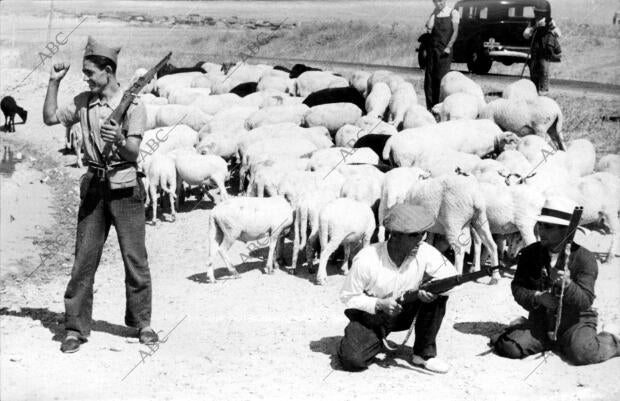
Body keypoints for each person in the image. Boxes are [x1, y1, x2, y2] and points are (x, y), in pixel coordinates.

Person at [43, 36, 158, 353]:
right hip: (94, 186)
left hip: (126, 187)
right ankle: (75, 328)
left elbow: (133, 152)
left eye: (90, 72)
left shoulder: (134, 106)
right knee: (84, 261)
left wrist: (119, 139)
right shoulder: (83, 102)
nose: (86, 78)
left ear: (107, 71)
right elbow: (50, 117)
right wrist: (54, 82)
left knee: (135, 259)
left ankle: (142, 323)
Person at [494, 197, 620, 365]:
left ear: (566, 230)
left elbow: (585, 300)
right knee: (508, 347)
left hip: (576, 320)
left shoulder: (585, 258)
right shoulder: (530, 253)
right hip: (542, 320)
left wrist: (568, 286)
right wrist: (538, 297)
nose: (541, 230)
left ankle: (610, 337)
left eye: (548, 227)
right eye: (540, 225)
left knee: (582, 354)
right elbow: (518, 287)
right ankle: (537, 335)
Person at [338, 203, 457, 373]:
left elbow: (452, 279)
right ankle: (372, 339)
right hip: (374, 316)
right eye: (415, 235)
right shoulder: (367, 258)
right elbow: (347, 297)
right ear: (395, 235)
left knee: (439, 293)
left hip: (407, 312)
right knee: (353, 361)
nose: (421, 239)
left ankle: (423, 355)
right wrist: (379, 304)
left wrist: (428, 289)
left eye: (423, 234)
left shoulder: (424, 251)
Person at [423, 0, 459, 110]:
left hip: (444, 51)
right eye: (436, 2)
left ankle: (440, 108)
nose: (439, 4)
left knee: (441, 79)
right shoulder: (435, 13)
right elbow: (429, 28)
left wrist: (449, 46)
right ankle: (430, 107)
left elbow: (455, 32)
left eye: (441, 1)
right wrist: (433, 14)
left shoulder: (453, 12)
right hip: (432, 50)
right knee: (429, 80)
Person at [523, 2, 562, 94]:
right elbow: (525, 34)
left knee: (544, 70)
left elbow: (559, 34)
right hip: (535, 51)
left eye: (542, 14)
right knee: (533, 71)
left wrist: (553, 27)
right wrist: (535, 27)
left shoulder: (550, 22)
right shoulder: (532, 22)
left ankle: (544, 92)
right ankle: (534, 92)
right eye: (538, 13)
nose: (540, 16)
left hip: (545, 52)